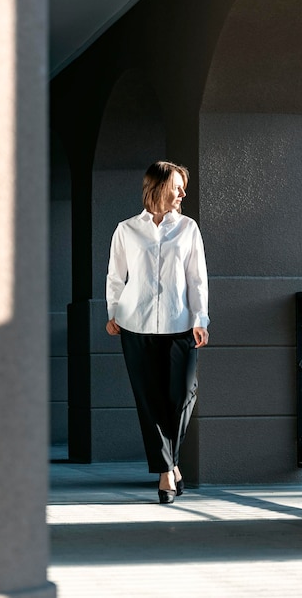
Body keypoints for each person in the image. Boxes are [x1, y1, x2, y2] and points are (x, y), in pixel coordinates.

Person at [106, 161, 209, 504]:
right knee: (148, 401)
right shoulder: (126, 230)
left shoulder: (188, 229)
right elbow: (115, 277)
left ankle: (172, 464)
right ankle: (167, 473)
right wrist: (112, 313)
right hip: (136, 325)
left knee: (182, 395)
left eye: (183, 187)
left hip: (181, 324)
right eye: (177, 186)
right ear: (158, 187)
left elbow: (197, 278)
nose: (183, 193)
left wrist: (201, 319)